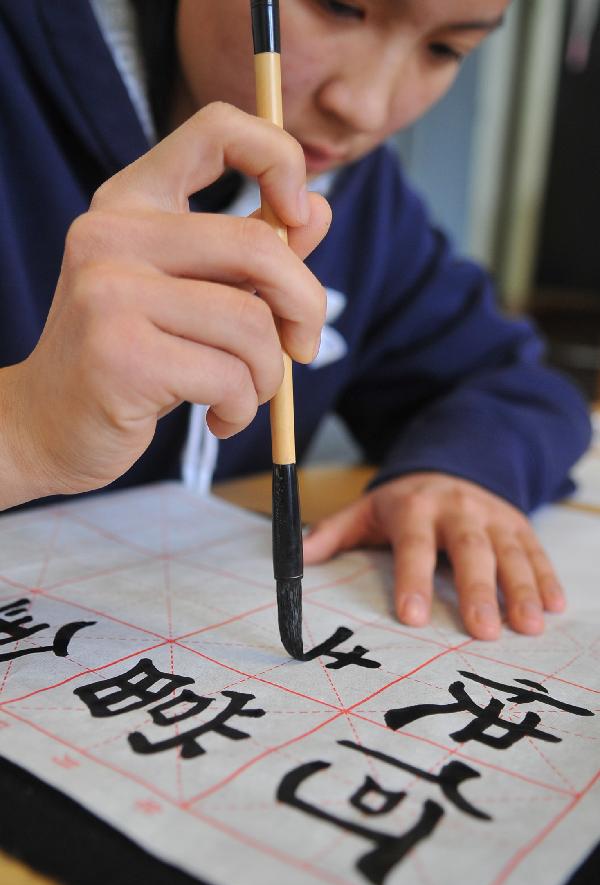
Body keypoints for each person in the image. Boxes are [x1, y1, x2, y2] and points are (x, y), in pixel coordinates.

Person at [0, 0, 591, 641]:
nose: (364, 107)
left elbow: (513, 382)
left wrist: (460, 469)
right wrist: (24, 431)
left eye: (445, 49)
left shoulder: (361, 202)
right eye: (339, 7)